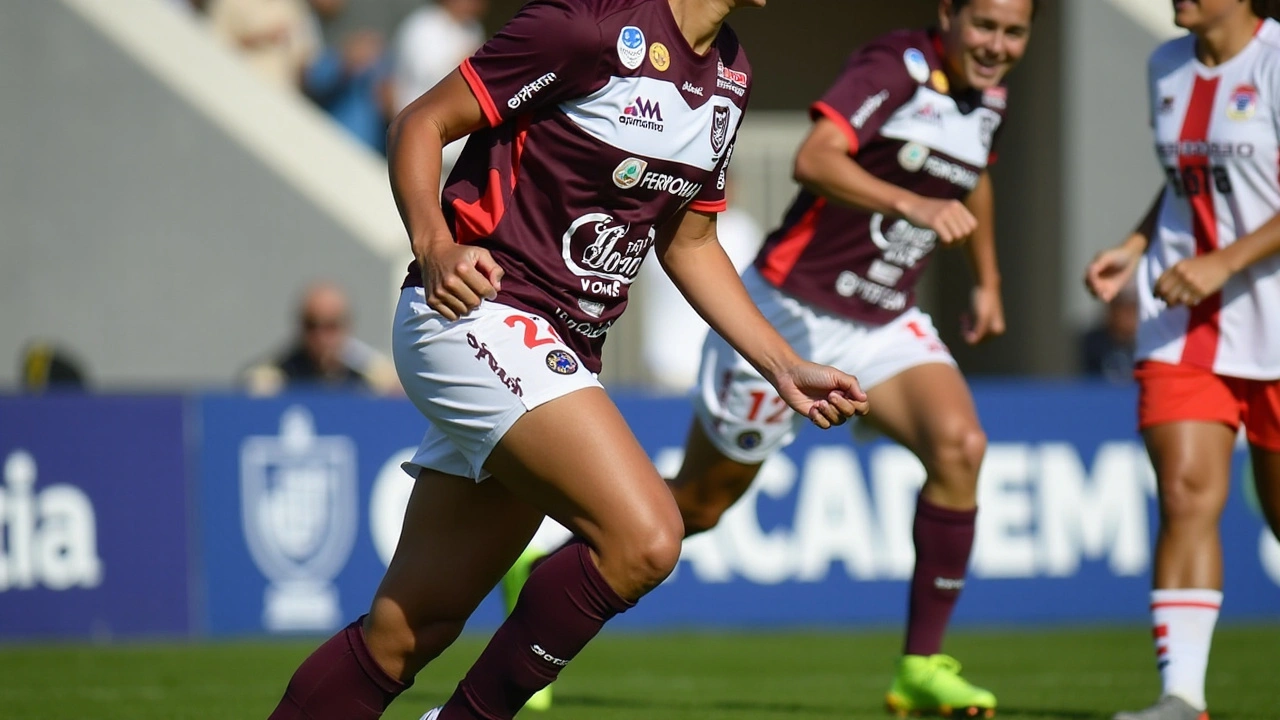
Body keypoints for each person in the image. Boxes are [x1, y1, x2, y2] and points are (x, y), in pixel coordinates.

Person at [264, 2, 869, 719]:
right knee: (646, 537)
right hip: (476, 312)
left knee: (406, 633)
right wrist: (434, 244)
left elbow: (691, 241)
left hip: (559, 348)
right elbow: (420, 122)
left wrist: (780, 364)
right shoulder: (587, 26)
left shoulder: (730, 72)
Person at [501, 1, 1032, 716]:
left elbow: (977, 174)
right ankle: (545, 576)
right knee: (700, 505)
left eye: (1015, 32)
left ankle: (921, 666)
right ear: (949, 16)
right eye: (986, 27)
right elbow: (814, 158)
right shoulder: (896, 69)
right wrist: (912, 204)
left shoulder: (986, 96)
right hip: (791, 314)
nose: (998, 46)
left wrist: (993, 281)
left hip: (885, 321)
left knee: (961, 445)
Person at [1085, 1, 1280, 719]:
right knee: (1184, 495)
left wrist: (1224, 261)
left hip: (1273, 327)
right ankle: (1181, 698)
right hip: (1183, 329)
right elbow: (1187, 181)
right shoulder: (1164, 64)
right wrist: (1136, 244)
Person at [242, 281, 399, 395]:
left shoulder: (371, 376)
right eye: (312, 326)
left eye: (331, 326)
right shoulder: (277, 376)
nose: (321, 337)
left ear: (347, 326)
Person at [1079, 283, 1138, 383]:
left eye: (1132, 309)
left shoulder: (1148, 343)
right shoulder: (1094, 344)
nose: (1128, 316)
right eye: (1122, 308)